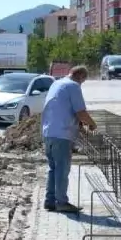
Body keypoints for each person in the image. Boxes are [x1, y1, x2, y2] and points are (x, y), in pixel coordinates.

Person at [40, 65, 96, 213]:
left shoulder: (57, 83)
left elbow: (65, 109)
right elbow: (81, 112)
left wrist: (79, 125)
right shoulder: (73, 86)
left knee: (53, 169)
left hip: (49, 133)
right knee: (62, 170)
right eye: (83, 81)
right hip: (62, 135)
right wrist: (92, 124)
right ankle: (62, 203)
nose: (81, 84)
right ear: (81, 77)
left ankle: (50, 201)